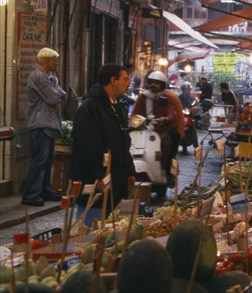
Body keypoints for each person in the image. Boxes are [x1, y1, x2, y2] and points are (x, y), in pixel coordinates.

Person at [69, 64, 135, 225]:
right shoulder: (90, 108)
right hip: (98, 189)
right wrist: (100, 177)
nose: (128, 83)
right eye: (125, 79)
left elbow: (123, 143)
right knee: (92, 238)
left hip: (116, 186)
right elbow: (87, 148)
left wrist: (130, 170)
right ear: (113, 80)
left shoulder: (116, 107)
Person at [22, 48, 67, 207]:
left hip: (49, 122)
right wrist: (59, 93)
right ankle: (31, 194)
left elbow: (62, 93)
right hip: (40, 123)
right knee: (40, 159)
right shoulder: (39, 76)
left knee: (47, 160)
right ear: (46, 60)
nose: (57, 62)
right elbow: (54, 97)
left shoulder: (50, 76)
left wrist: (59, 93)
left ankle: (44, 191)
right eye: (54, 59)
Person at [132, 71, 184, 186]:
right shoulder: (143, 97)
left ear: (162, 84)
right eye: (151, 82)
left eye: (157, 83)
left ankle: (168, 171)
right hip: (145, 130)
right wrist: (134, 121)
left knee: (168, 143)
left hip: (164, 129)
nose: (154, 85)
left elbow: (173, 113)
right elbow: (136, 112)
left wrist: (165, 119)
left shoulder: (169, 97)